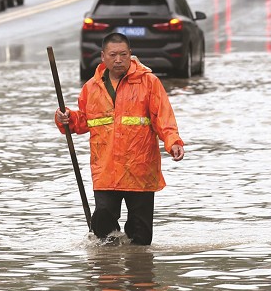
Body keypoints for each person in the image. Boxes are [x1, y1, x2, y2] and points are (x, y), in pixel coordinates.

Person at [54, 32, 185, 246]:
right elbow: (83, 121)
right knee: (103, 219)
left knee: (141, 236)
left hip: (139, 169)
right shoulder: (91, 88)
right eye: (113, 55)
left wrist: (174, 143)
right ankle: (109, 267)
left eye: (123, 54)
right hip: (106, 168)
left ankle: (138, 271)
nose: (118, 60)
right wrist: (65, 118)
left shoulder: (149, 83)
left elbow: (164, 118)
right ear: (103, 56)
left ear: (131, 55)